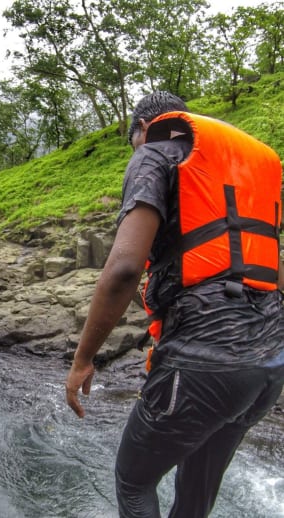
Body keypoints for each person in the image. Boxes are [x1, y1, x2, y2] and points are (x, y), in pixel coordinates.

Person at [64, 91, 284, 517]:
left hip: (206, 361)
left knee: (133, 483)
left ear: (145, 128)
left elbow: (126, 268)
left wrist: (83, 360)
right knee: (196, 496)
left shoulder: (155, 152)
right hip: (269, 365)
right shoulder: (239, 176)